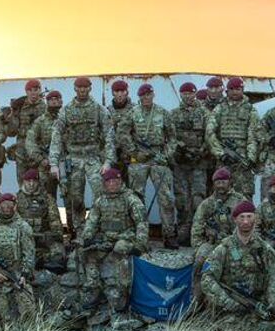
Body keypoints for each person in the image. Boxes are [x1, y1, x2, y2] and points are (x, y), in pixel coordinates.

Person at [199, 200, 275, 331]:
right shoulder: (224, 248)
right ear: (235, 220)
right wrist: (228, 302)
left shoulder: (264, 248)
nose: (246, 221)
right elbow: (207, 279)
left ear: (255, 219)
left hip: (259, 301)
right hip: (232, 306)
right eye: (242, 217)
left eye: (249, 216)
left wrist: (272, 301)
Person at [79, 168, 150, 331]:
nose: (112, 184)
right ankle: (92, 289)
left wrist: (140, 244)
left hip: (125, 238)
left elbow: (141, 223)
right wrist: (87, 236)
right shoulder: (100, 200)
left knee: (119, 252)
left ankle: (122, 298)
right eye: (108, 182)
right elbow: (92, 222)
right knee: (86, 254)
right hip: (105, 239)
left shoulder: (130, 199)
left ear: (120, 181)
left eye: (115, 181)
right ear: (104, 184)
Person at [50, 77, 113, 233]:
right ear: (75, 89)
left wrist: (108, 162)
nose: (82, 90)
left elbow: (109, 136)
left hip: (93, 159)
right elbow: (56, 136)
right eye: (79, 87)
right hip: (74, 160)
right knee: (76, 199)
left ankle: (98, 228)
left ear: (90, 88)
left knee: (101, 194)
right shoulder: (67, 110)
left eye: (85, 87)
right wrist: (53, 163)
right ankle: (79, 232)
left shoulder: (99, 110)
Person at [120, 83, 180, 245]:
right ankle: (140, 235)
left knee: (166, 198)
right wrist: (134, 152)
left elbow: (173, 137)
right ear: (139, 97)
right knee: (136, 198)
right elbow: (123, 133)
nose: (145, 98)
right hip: (139, 160)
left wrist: (167, 155)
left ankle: (169, 235)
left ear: (153, 95)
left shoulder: (163, 113)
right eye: (142, 95)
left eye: (148, 95)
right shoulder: (132, 113)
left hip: (159, 158)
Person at [0, 193, 38, 330]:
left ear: (15, 206)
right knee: (4, 319)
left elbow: (29, 254)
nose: (7, 208)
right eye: (4, 205)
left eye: (10, 205)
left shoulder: (23, 227)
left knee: (29, 314)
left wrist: (24, 275)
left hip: (18, 278)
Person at [169, 82, 213, 242]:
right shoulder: (173, 114)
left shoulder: (205, 113)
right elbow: (170, 135)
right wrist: (181, 149)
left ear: (195, 93)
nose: (187, 96)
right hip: (181, 162)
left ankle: (198, 230)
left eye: (190, 93)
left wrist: (201, 151)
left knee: (198, 197)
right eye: (184, 93)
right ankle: (183, 228)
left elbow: (211, 135)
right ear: (181, 95)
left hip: (199, 162)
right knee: (181, 197)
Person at [205, 77, 261, 196]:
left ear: (242, 90)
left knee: (245, 195)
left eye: (238, 89)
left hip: (242, 159)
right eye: (232, 89)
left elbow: (254, 135)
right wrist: (220, 153)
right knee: (221, 194)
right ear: (227, 91)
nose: (235, 92)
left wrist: (250, 158)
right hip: (224, 159)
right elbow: (210, 132)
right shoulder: (219, 109)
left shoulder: (251, 110)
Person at [15, 169, 65, 271]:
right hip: (23, 238)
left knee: (58, 252)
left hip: (43, 236)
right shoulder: (16, 199)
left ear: (38, 182)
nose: (31, 184)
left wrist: (54, 234)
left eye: (34, 181)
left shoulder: (47, 198)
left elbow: (54, 219)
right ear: (24, 182)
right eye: (28, 181)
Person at [188, 167, 240, 256]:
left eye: (223, 182)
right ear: (213, 184)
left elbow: (250, 224)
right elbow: (197, 228)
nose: (220, 185)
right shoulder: (206, 204)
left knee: (237, 259)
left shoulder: (240, 201)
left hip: (233, 245)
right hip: (212, 243)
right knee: (200, 258)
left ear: (230, 182)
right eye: (218, 182)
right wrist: (198, 248)